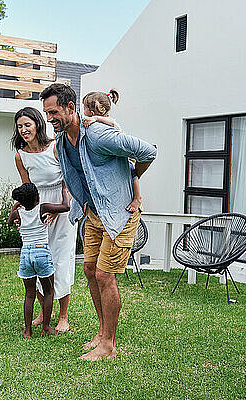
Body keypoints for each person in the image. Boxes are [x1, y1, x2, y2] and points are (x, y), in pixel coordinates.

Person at [40, 83, 157, 361]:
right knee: (91, 270)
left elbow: (148, 152)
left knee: (105, 275)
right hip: (92, 213)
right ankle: (103, 332)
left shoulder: (98, 135)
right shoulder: (61, 142)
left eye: (53, 112)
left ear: (71, 108)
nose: (49, 119)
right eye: (47, 113)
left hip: (119, 214)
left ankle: (109, 345)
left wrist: (132, 179)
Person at [11, 107, 77, 332]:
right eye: (20, 126)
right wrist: (20, 213)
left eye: (27, 125)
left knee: (60, 260)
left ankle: (63, 316)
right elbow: (26, 188)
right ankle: (42, 312)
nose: (23, 130)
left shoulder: (56, 147)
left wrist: (59, 209)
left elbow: (68, 181)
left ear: (37, 124)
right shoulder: (21, 155)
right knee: (38, 259)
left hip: (60, 206)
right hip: (37, 212)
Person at [7, 182, 70, 338]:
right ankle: (46, 328)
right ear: (38, 197)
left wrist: (16, 207)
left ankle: (27, 331)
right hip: (41, 252)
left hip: (25, 254)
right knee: (48, 292)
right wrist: (64, 190)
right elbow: (66, 207)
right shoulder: (42, 208)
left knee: (29, 294)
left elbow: (9, 221)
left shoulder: (19, 214)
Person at [81, 90, 142, 213]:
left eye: (84, 107)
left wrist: (95, 119)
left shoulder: (107, 121)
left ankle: (137, 198)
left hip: (124, 154)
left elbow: (112, 123)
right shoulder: (94, 122)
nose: (83, 111)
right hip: (111, 155)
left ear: (91, 112)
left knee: (131, 172)